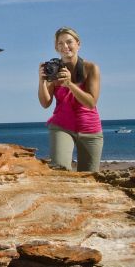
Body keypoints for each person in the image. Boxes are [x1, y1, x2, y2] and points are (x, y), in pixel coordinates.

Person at [38, 27, 103, 171]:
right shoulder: (53, 69)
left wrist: (69, 84)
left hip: (89, 128)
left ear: (78, 44)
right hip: (62, 126)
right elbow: (45, 103)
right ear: (56, 47)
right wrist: (41, 81)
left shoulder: (91, 68)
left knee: (90, 179)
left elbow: (91, 103)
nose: (65, 47)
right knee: (60, 170)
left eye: (69, 42)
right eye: (60, 43)